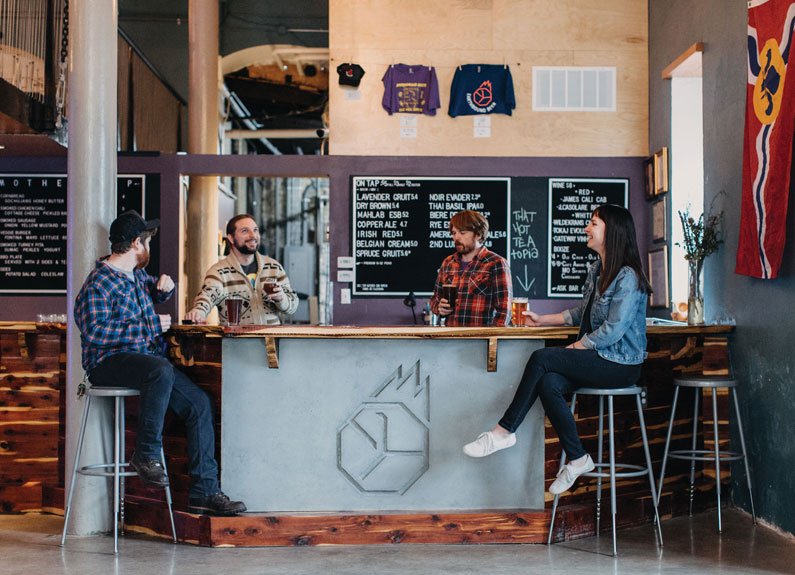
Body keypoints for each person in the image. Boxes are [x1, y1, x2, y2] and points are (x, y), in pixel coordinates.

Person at [462, 204, 651, 495]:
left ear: (612, 232)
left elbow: (614, 329)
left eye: (593, 223)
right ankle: (578, 459)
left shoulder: (628, 276)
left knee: (542, 358)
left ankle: (504, 431)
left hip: (620, 364)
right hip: (597, 358)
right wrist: (541, 320)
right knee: (548, 383)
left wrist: (577, 346)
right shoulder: (598, 268)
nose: (586, 228)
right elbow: (580, 313)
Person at [74, 210, 246, 516]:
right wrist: (152, 326)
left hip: (149, 364)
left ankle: (204, 493)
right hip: (107, 363)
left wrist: (162, 288)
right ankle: (146, 454)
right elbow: (95, 332)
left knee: (199, 403)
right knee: (159, 369)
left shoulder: (137, 276)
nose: (149, 246)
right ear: (138, 244)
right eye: (148, 240)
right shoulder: (98, 283)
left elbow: (148, 296)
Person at [184, 214, 299, 325]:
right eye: (245, 231)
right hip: (236, 342)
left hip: (271, 342)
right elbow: (206, 298)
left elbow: (292, 307)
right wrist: (197, 313)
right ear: (231, 238)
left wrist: (282, 298)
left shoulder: (274, 267)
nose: (253, 235)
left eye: (255, 230)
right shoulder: (219, 272)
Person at [429, 210, 511, 326]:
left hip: (481, 340)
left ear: (478, 235)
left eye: (462, 233)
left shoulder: (496, 263)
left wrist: (493, 340)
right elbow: (435, 299)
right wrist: (439, 308)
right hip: (450, 339)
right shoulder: (448, 263)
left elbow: (504, 311)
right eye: (454, 233)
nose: (456, 237)